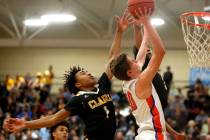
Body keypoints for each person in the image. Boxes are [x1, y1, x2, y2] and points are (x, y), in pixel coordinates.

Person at [3, 11, 133, 140]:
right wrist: (25, 124)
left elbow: (113, 59)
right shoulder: (78, 100)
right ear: (78, 84)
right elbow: (53, 118)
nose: (88, 73)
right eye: (83, 73)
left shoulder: (102, 86)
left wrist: (119, 31)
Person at [110, 8, 185, 140]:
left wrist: (142, 27)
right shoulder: (141, 82)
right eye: (132, 61)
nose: (135, 60)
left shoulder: (128, 80)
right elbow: (160, 51)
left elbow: (143, 49)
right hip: (152, 135)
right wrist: (148, 23)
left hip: (145, 134)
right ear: (130, 72)